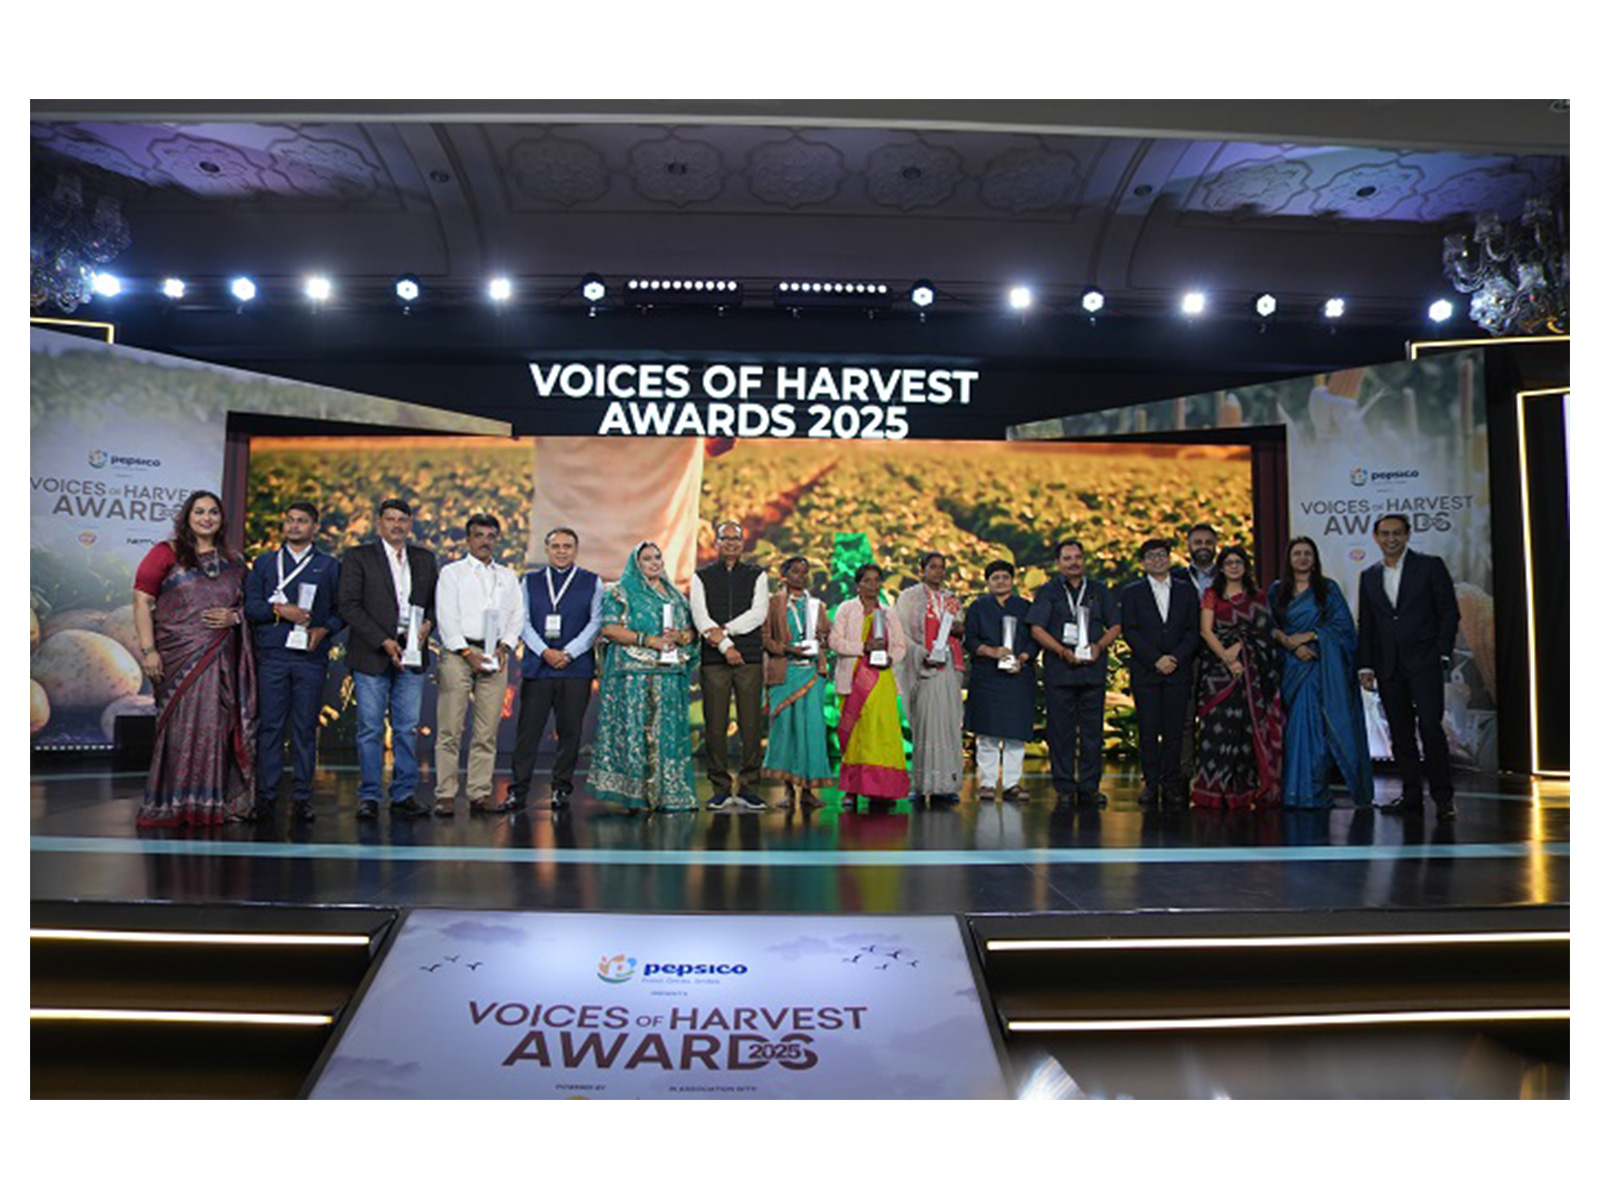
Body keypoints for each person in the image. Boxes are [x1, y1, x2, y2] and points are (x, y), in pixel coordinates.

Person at [132, 490, 256, 827]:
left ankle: (210, 803)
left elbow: (248, 606)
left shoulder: (234, 562)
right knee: (180, 728)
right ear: (187, 517)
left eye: (213, 512)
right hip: (177, 657)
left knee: (216, 729)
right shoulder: (165, 553)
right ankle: (174, 803)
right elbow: (142, 601)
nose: (206, 518)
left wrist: (236, 618)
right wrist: (149, 650)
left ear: (221, 519)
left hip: (221, 660)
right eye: (199, 512)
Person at [337, 498, 439, 821]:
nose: (396, 525)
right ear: (378, 523)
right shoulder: (358, 557)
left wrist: (428, 624)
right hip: (371, 654)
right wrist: (383, 641)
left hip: (412, 653)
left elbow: (436, 603)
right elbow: (349, 605)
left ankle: (404, 794)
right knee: (369, 728)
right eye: (390, 519)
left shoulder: (424, 559)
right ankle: (369, 795)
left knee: (406, 728)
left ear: (410, 524)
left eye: (402, 520)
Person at [243, 500, 343, 823]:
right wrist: (279, 611)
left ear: (315, 527)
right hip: (272, 655)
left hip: (310, 658)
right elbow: (251, 607)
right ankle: (266, 797)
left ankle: (302, 797)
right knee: (270, 726)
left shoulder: (328, 565)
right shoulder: (266, 563)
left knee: (304, 729)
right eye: (290, 520)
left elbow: (341, 611)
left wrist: (324, 629)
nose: (294, 526)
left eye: (302, 521)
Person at [1357, 513, 1461, 820]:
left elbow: (1449, 612)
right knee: (1400, 734)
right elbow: (1368, 625)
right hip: (1388, 667)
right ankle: (1411, 797)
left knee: (1430, 726)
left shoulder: (1430, 566)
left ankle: (1444, 800)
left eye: (1397, 533)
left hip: (1426, 663)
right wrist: (1365, 665)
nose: (1391, 539)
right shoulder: (1369, 576)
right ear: (1376, 537)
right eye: (1385, 533)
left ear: (1407, 535)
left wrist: (1442, 653)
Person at [591, 542, 700, 813]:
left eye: (658, 558)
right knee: (635, 732)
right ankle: (636, 796)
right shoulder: (620, 592)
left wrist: (681, 637)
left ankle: (667, 794)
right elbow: (610, 629)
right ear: (636, 563)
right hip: (632, 676)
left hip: (668, 675)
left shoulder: (675, 595)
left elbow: (690, 632)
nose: (654, 563)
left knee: (667, 733)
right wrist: (648, 640)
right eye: (647, 559)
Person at [1269, 536, 1373, 809]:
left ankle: (1311, 791)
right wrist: (1288, 643)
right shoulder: (1277, 591)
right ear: (1289, 560)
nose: (1302, 558)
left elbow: (1344, 631)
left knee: (1314, 728)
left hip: (1318, 668)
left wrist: (1312, 635)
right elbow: (1265, 625)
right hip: (1288, 668)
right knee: (1291, 730)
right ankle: (1291, 791)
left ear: (1315, 559)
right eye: (1297, 554)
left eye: (1308, 553)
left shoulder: (1328, 590)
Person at [433, 513, 525, 816]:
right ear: (468, 539)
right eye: (479, 536)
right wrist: (464, 652)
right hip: (460, 655)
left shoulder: (507, 576)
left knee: (487, 731)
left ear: (496, 540)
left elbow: (516, 616)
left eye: (490, 536)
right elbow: (446, 617)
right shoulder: (452, 573)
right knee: (449, 729)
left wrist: (505, 647)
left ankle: (479, 793)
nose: (485, 542)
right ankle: (445, 794)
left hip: (495, 654)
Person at [509, 527, 604, 812]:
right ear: (547, 549)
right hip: (538, 667)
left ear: (575, 550)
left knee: (570, 732)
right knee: (528, 733)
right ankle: (518, 791)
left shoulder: (592, 581)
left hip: (576, 668)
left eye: (567, 546)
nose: (562, 551)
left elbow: (596, 621)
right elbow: (522, 620)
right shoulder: (530, 580)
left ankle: (561, 789)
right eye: (556, 546)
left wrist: (569, 652)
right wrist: (545, 652)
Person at [1027, 539, 1121, 807]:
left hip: (1093, 671)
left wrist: (1099, 646)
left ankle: (1090, 788)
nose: (1073, 563)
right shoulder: (1048, 592)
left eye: (1077, 557)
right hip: (1060, 672)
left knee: (1093, 734)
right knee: (1061, 733)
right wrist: (1061, 651)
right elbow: (1036, 629)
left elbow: (1115, 625)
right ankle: (1065, 788)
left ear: (1084, 560)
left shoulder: (1099, 590)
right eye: (1067, 558)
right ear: (1058, 563)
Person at [1193, 545, 1284, 810]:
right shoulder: (1212, 594)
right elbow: (1206, 631)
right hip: (1218, 674)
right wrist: (1227, 657)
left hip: (1251, 676)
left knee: (1244, 735)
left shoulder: (1257, 597)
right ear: (1221, 567)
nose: (1234, 567)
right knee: (1216, 733)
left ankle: (1241, 793)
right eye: (1229, 562)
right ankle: (1210, 792)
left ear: (1245, 566)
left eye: (1239, 562)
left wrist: (1242, 647)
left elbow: (1263, 634)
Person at [690, 520, 771, 812]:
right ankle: (720, 789)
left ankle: (749, 788)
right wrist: (725, 647)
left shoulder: (756, 575)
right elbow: (700, 617)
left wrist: (724, 632)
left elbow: (758, 613)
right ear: (716, 543)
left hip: (748, 658)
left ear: (743, 542)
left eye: (735, 539)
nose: (730, 544)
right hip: (715, 660)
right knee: (715, 724)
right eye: (724, 539)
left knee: (751, 725)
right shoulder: (701, 577)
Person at [1119, 538, 1201, 808]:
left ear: (1170, 558)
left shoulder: (1186, 590)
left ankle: (1171, 782)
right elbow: (1130, 630)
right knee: (1148, 730)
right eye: (1151, 556)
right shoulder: (1132, 592)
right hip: (1147, 670)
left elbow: (1193, 630)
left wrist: (1175, 658)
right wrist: (1155, 659)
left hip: (1178, 670)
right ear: (1143, 563)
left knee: (1175, 730)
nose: (1157, 560)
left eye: (1162, 555)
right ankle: (1151, 782)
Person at [829, 562, 910, 804]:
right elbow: (835, 641)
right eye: (867, 581)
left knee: (882, 733)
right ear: (858, 584)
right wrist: (862, 648)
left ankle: (883, 789)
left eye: (876, 580)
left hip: (880, 678)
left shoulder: (888, 613)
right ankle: (852, 790)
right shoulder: (846, 609)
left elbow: (899, 647)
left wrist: (889, 658)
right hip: (852, 677)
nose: (872, 585)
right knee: (856, 733)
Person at [761, 554, 833, 808]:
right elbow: (765, 638)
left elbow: (825, 635)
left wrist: (823, 642)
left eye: (805, 572)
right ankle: (789, 792)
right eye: (795, 572)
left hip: (812, 675)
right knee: (787, 732)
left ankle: (810, 791)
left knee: (811, 732)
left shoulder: (817, 606)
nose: (801, 576)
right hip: (785, 673)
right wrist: (788, 649)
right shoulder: (774, 604)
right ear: (784, 576)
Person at [894, 551, 966, 802]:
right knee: (926, 726)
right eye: (933, 566)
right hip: (924, 669)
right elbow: (900, 634)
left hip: (949, 667)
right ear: (922, 569)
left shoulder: (952, 599)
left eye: (942, 567)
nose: (938, 571)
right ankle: (923, 784)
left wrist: (960, 629)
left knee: (949, 726)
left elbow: (960, 630)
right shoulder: (909, 597)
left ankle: (947, 785)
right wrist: (921, 653)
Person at [965, 561, 1037, 802]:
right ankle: (986, 784)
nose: (1001, 582)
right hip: (987, 675)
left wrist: (1023, 658)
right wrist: (992, 652)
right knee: (987, 734)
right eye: (995, 578)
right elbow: (970, 640)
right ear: (987, 582)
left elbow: (1035, 639)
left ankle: (1012, 784)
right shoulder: (977, 607)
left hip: (1018, 676)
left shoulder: (1026, 607)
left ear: (1013, 581)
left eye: (1005, 577)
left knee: (1015, 734)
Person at [1175, 522, 1219, 786]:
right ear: (1189, 546)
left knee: (1216, 718)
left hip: (1219, 656)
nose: (1203, 547)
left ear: (1215, 546)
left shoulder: (1227, 576)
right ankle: (1185, 775)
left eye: (1207, 543)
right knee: (1185, 719)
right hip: (1186, 656)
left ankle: (1213, 775)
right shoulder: (1176, 577)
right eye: (1197, 543)